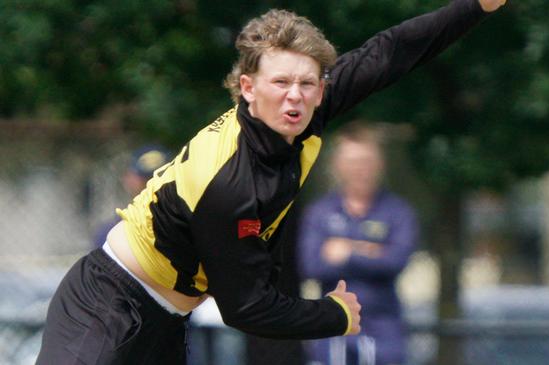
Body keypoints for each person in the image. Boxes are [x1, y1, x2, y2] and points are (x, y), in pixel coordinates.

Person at [36, 0, 507, 363]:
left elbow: (389, 52)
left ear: (322, 88)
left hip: (166, 317)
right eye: (280, 83)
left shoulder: (306, 111)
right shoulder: (230, 183)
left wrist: (474, 7)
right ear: (247, 88)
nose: (295, 97)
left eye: (307, 84)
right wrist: (334, 314)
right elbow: (247, 309)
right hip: (108, 301)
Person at [299, 122, 418, 365]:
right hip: (332, 327)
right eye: (353, 162)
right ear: (338, 165)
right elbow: (311, 266)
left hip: (383, 328)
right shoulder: (320, 212)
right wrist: (370, 250)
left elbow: (395, 262)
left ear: (380, 164)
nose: (360, 170)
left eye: (366, 161)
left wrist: (346, 251)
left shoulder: (397, 212)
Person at [92, 145, 171, 248]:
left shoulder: (114, 233)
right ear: (128, 179)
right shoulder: (113, 234)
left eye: (160, 181)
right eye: (146, 182)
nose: (153, 187)